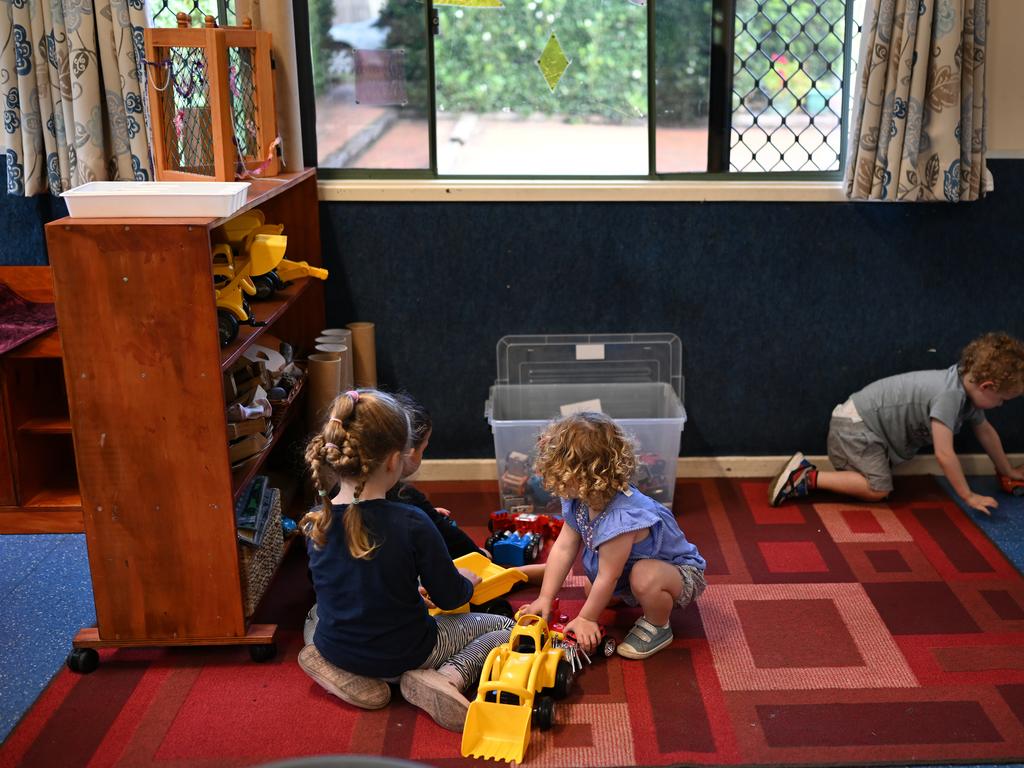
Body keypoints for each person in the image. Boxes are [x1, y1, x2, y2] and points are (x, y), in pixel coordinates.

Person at [298, 389, 513, 730]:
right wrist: (466, 583)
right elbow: (450, 597)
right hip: (411, 651)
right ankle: (445, 677)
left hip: (338, 647)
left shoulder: (314, 521)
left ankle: (343, 670)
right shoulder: (412, 521)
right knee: (505, 628)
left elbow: (338, 583)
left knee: (315, 615)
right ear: (395, 460)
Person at [768, 332, 1024, 515]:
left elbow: (986, 432)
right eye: (1002, 400)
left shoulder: (963, 390)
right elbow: (944, 454)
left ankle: (822, 474)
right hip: (855, 429)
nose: (1001, 405)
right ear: (986, 387)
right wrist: (968, 495)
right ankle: (805, 477)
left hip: (862, 427)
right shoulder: (949, 396)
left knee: (882, 485)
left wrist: (1008, 470)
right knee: (878, 490)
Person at [519, 412, 706, 661]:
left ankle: (658, 624)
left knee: (640, 577)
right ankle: (634, 595)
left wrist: (586, 618)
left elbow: (610, 574)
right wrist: (545, 597)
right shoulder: (580, 499)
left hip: (678, 573)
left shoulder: (622, 518)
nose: (555, 481)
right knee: (592, 586)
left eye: (560, 473)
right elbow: (564, 548)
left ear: (585, 476)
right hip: (628, 566)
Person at [391, 393, 546, 583]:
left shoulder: (351, 490)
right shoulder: (408, 497)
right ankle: (518, 576)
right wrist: (477, 555)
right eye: (424, 448)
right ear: (410, 452)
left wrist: (425, 513)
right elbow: (452, 539)